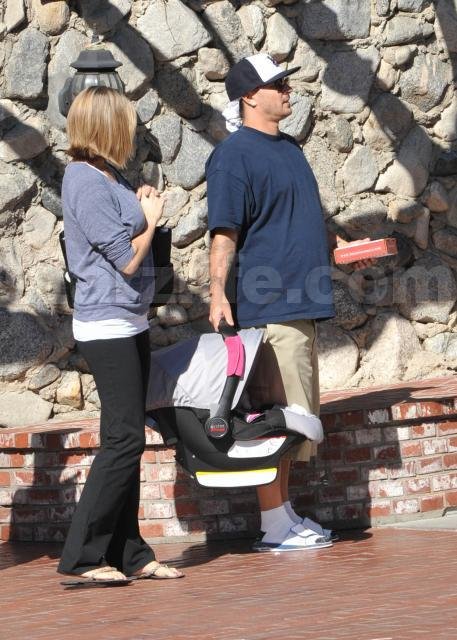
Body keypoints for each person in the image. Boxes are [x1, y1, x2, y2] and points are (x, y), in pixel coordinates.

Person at [206, 54, 337, 552]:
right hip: (269, 309)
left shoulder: (291, 149)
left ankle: (282, 517)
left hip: (301, 304)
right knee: (278, 421)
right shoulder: (233, 156)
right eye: (277, 84)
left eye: (286, 83)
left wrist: (341, 249)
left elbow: (296, 220)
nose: (287, 90)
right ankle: (273, 523)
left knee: (294, 421)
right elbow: (224, 232)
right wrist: (217, 292)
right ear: (249, 96)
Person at [57, 86, 183, 582]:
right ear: (106, 126)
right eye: (126, 124)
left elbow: (123, 232)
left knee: (124, 437)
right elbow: (126, 259)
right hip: (105, 322)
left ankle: (130, 554)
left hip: (129, 319)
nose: (132, 133)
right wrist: (150, 220)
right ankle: (83, 556)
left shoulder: (108, 174)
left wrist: (140, 202)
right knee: (125, 439)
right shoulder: (82, 179)